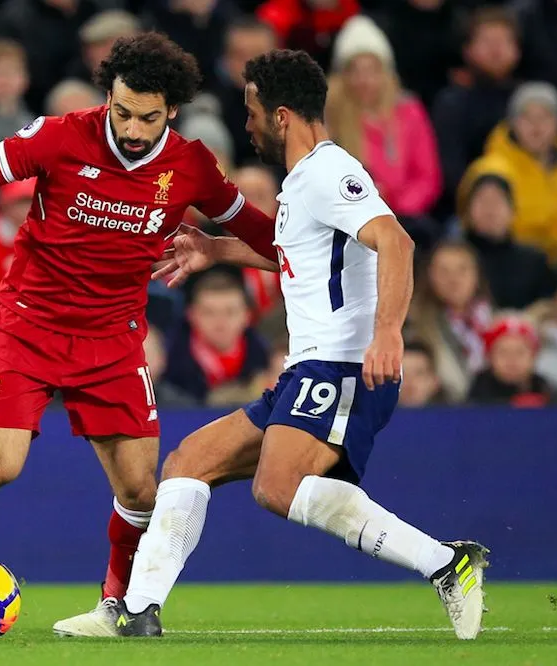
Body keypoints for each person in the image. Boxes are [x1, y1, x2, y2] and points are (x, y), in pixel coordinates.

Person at [0, 33, 276, 633]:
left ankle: (113, 608)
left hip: (112, 339)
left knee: (141, 491)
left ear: (173, 111)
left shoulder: (191, 166)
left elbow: (266, 237)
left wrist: (237, 251)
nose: (132, 129)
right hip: (27, 325)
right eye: (122, 112)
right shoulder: (60, 136)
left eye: (148, 118)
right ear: (108, 97)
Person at [90, 49, 489, 640]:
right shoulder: (302, 181)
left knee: (277, 488)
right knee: (188, 463)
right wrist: (218, 249)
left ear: (280, 116)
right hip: (307, 370)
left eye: (251, 112)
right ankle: (138, 612)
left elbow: (396, 242)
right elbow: (300, 258)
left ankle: (446, 563)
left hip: (342, 366)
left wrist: (387, 333)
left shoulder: (329, 171)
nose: (246, 125)